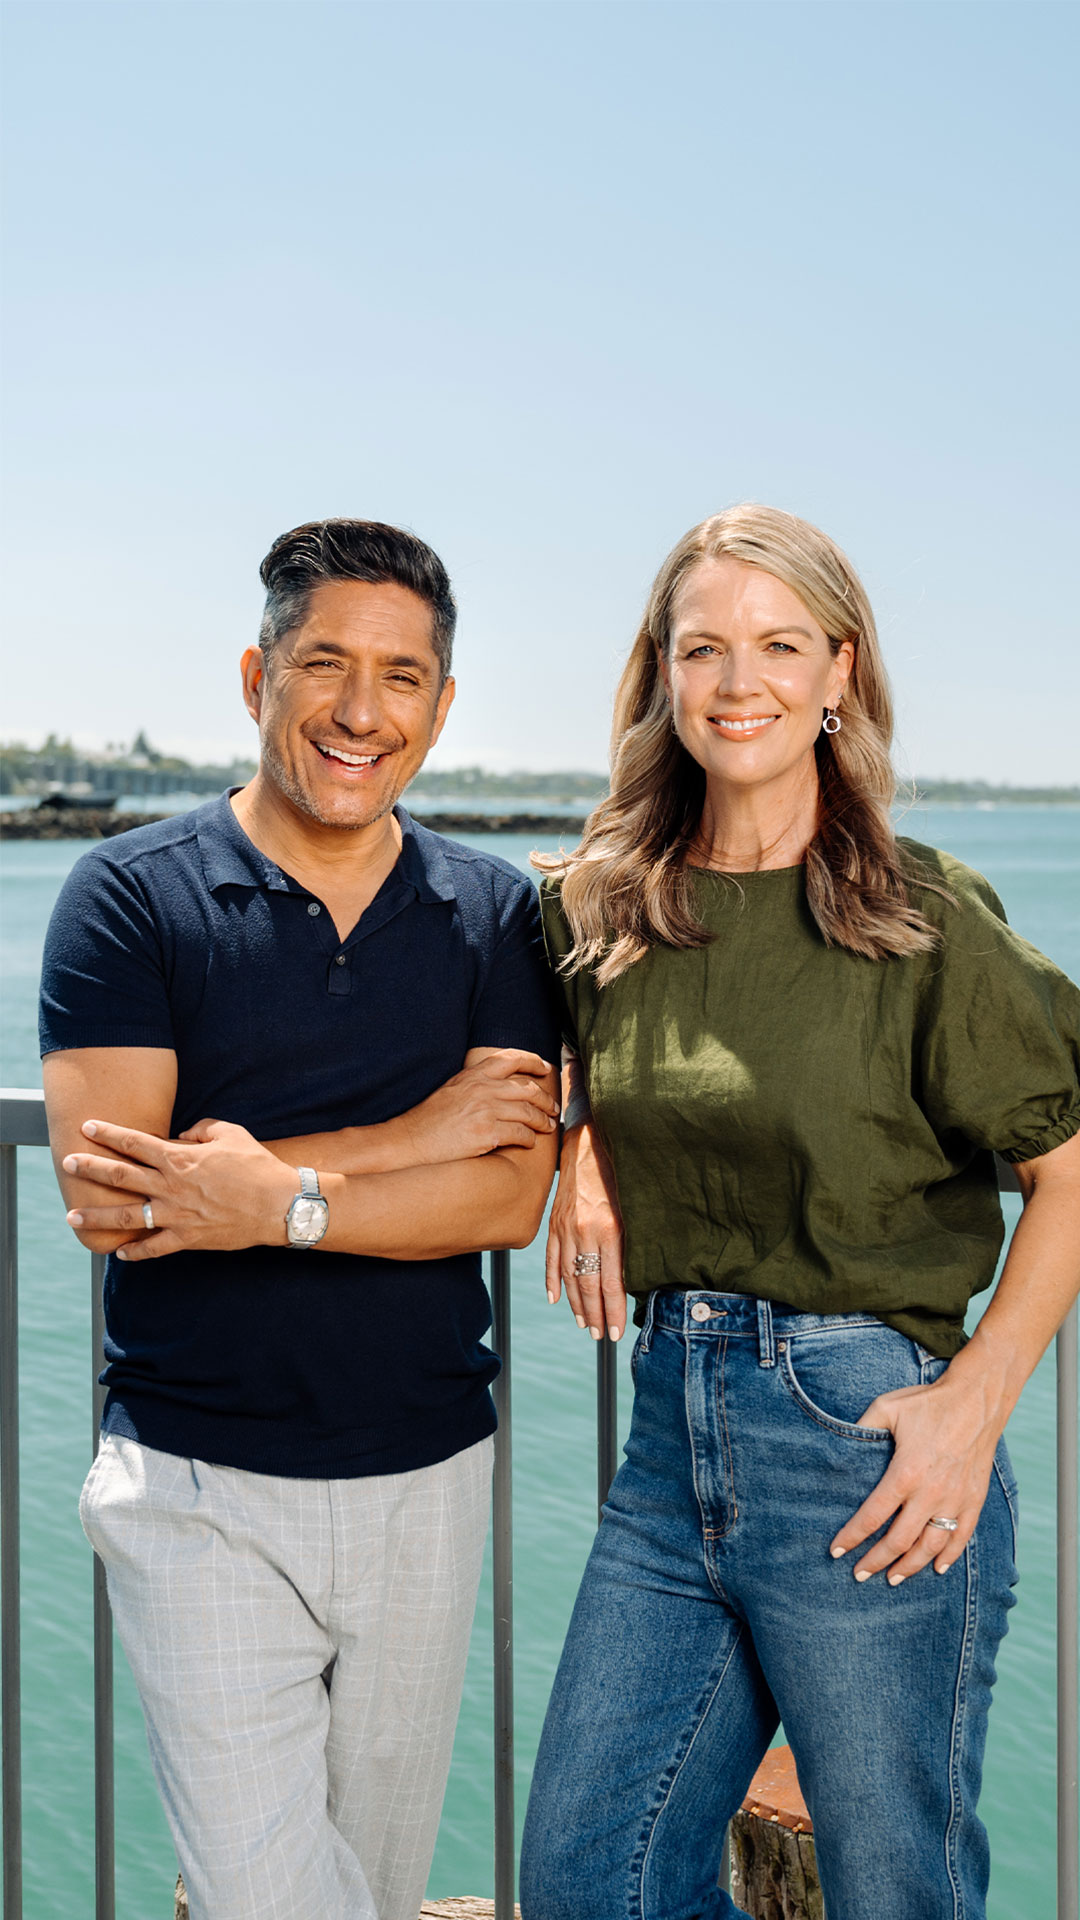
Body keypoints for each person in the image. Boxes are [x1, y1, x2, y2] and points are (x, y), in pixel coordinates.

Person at [518, 504, 1080, 1920]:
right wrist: (581, 1136)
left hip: (869, 1450)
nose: (737, 681)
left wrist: (975, 1406)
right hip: (666, 1446)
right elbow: (556, 1052)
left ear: (841, 672)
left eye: (778, 645)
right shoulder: (602, 910)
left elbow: (1071, 1168)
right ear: (661, 675)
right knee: (594, 1880)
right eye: (701, 647)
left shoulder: (922, 921)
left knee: (900, 1893)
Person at [41, 519, 561, 1920]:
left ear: (441, 709)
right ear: (256, 674)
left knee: (376, 1892)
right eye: (323, 663)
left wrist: (266, 1198)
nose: (358, 710)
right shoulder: (127, 893)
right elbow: (114, 1197)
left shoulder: (496, 912)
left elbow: (510, 1191)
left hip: (426, 1474)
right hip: (197, 1481)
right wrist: (399, 1146)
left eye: (401, 678)